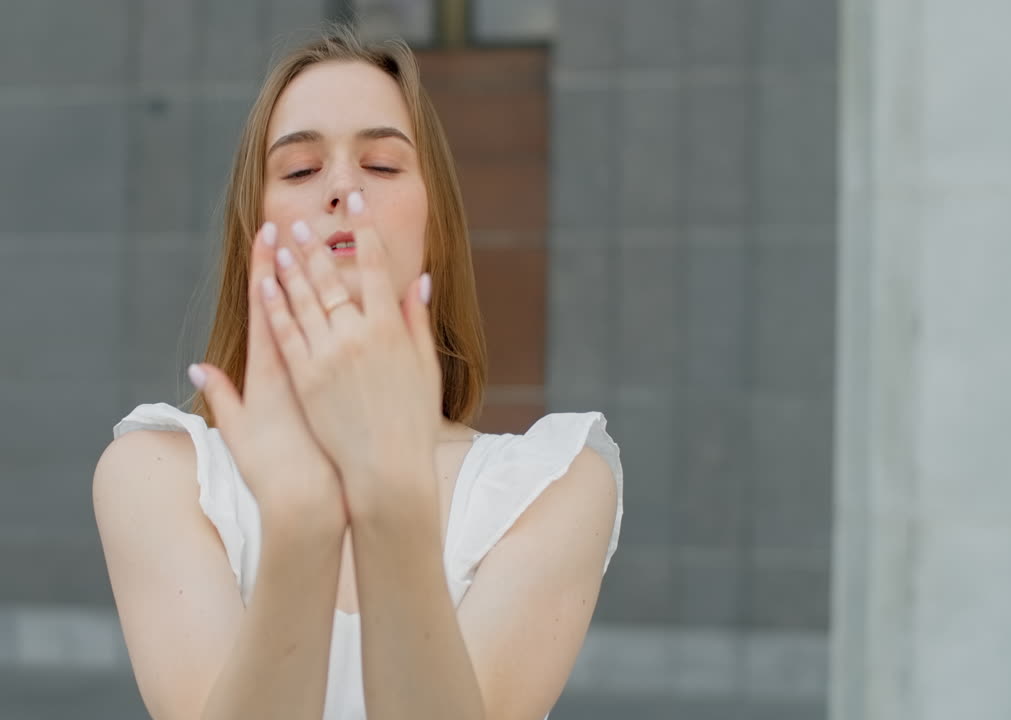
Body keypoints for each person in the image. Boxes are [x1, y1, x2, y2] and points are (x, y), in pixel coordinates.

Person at [93, 24, 623, 720]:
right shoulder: (158, 472)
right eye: (300, 170)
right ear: (254, 226)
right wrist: (302, 528)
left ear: (435, 223)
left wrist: (390, 503)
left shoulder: (555, 484)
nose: (343, 187)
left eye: (382, 164)